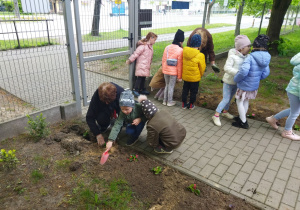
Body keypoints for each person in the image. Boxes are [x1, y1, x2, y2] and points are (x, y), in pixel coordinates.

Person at [232, 34, 271, 129]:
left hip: (244, 84)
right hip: (254, 85)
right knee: (246, 100)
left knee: (239, 101)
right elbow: (266, 72)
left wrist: (236, 79)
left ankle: (243, 122)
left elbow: (244, 71)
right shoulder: (267, 57)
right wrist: (257, 78)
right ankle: (242, 117)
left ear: (255, 46)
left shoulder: (250, 57)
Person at [212, 35, 251, 126]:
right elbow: (226, 68)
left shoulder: (246, 57)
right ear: (241, 48)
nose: (249, 48)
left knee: (229, 99)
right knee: (225, 99)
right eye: (248, 46)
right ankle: (216, 115)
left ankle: (225, 112)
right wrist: (238, 72)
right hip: (228, 82)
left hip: (236, 83)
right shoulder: (232, 57)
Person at [266, 52, 300, 141]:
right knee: (295, 112)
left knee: (294, 110)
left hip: (293, 89)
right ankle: (287, 132)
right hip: (297, 92)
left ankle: (273, 119)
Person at [126, 32, 158, 97]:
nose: (154, 41)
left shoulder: (150, 47)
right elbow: (136, 54)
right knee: (140, 78)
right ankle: (135, 89)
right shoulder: (143, 46)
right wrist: (130, 60)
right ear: (150, 38)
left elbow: (150, 57)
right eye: (154, 40)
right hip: (141, 65)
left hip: (146, 65)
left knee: (144, 78)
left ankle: (142, 89)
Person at [182, 34, 206, 110]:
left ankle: (183, 104)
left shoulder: (185, 52)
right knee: (193, 92)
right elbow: (202, 68)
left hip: (186, 77)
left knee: (185, 90)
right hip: (195, 78)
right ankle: (191, 104)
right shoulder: (200, 55)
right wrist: (200, 75)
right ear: (199, 44)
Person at [162, 29, 184, 106]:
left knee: (167, 85)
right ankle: (170, 101)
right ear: (181, 41)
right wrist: (179, 76)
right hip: (173, 72)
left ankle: (164, 101)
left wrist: (164, 69)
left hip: (166, 71)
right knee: (171, 86)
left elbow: (163, 60)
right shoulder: (180, 50)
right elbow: (179, 65)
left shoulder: (167, 47)